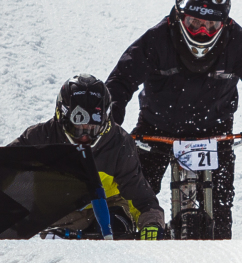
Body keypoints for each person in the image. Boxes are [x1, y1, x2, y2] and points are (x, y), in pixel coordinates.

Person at [107, 0, 242, 240]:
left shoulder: (239, 43)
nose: (202, 31)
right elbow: (120, 81)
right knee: (133, 202)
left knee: (221, 209)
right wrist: (111, 120)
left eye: (211, 25)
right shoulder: (155, 41)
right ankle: (130, 255)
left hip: (215, 132)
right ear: (178, 15)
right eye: (194, 23)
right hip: (157, 130)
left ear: (225, 23)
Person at [7, 75, 167, 239]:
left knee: (117, 222)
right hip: (55, 219)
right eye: (78, 125)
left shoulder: (119, 144)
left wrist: (151, 223)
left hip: (108, 218)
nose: (85, 136)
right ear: (62, 116)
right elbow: (5, 169)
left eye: (93, 127)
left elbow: (141, 197)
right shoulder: (38, 138)